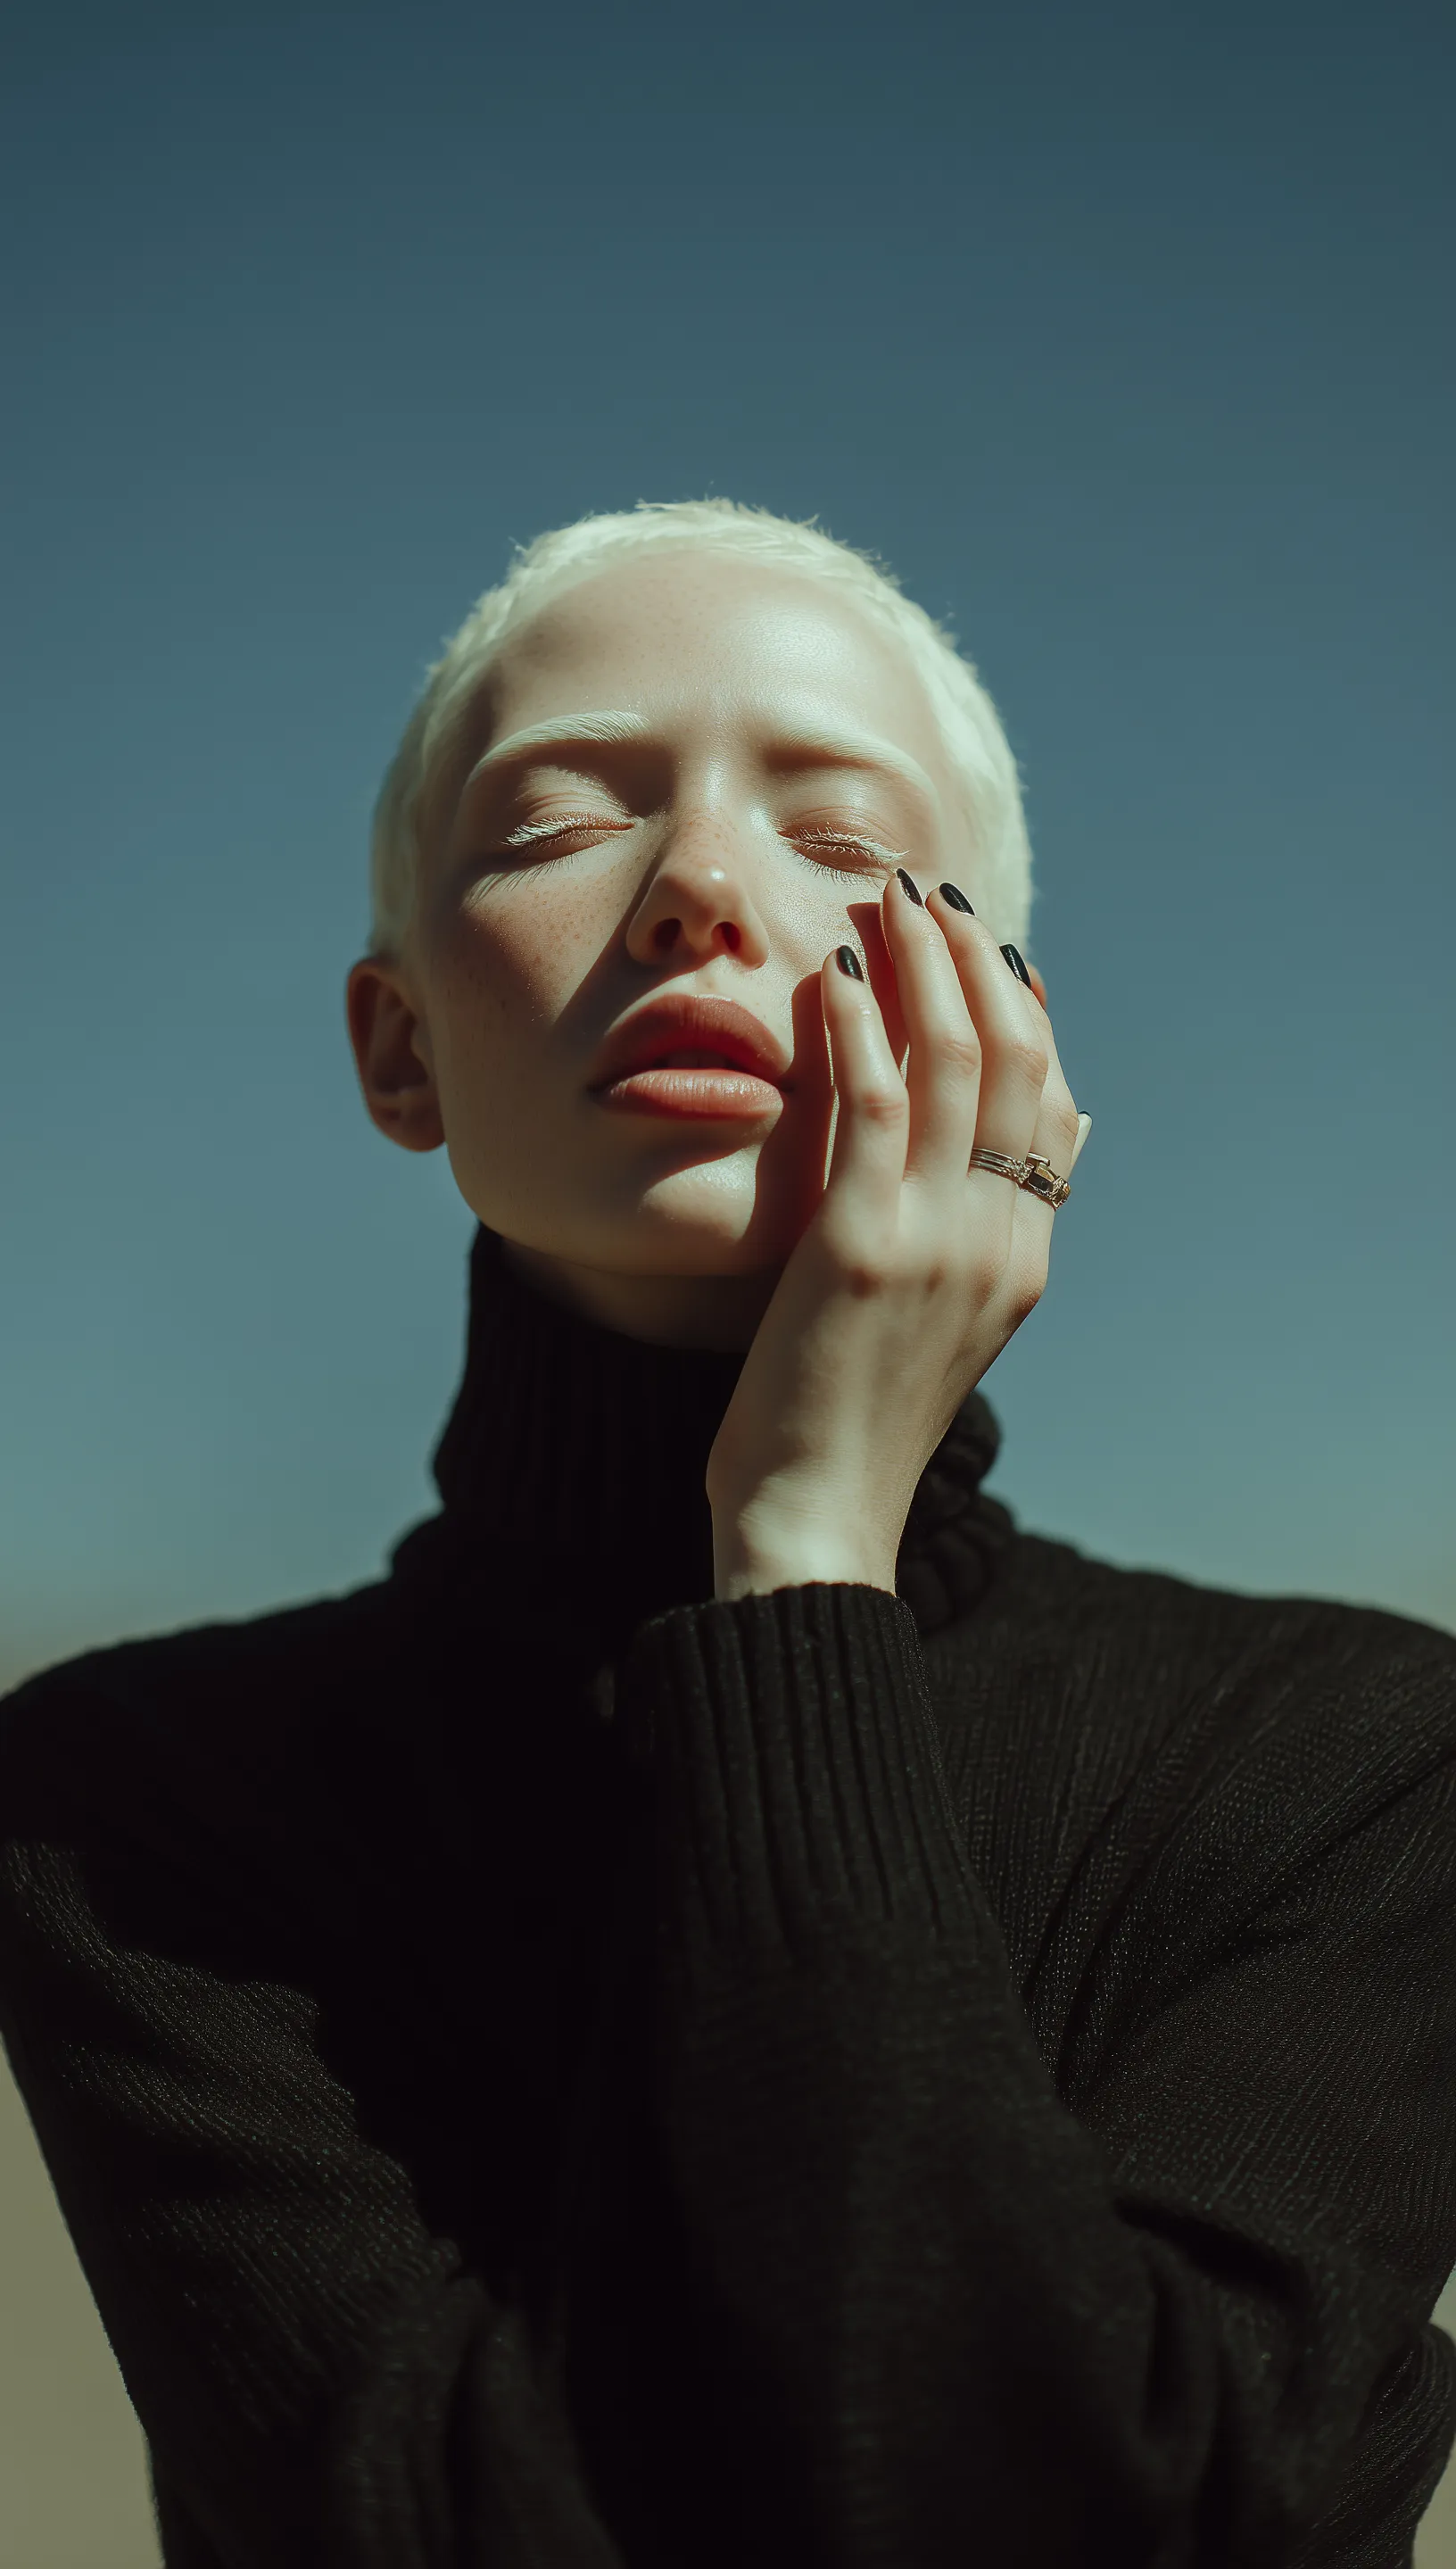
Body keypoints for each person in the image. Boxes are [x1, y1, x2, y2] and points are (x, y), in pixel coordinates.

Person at [1, 496, 1452, 2569]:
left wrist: (799, 1549)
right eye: (553, 825)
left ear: (1003, 1022)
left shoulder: (1361, 1756)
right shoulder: (129, 1807)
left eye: (842, 842)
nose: (697, 884)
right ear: (399, 1050)